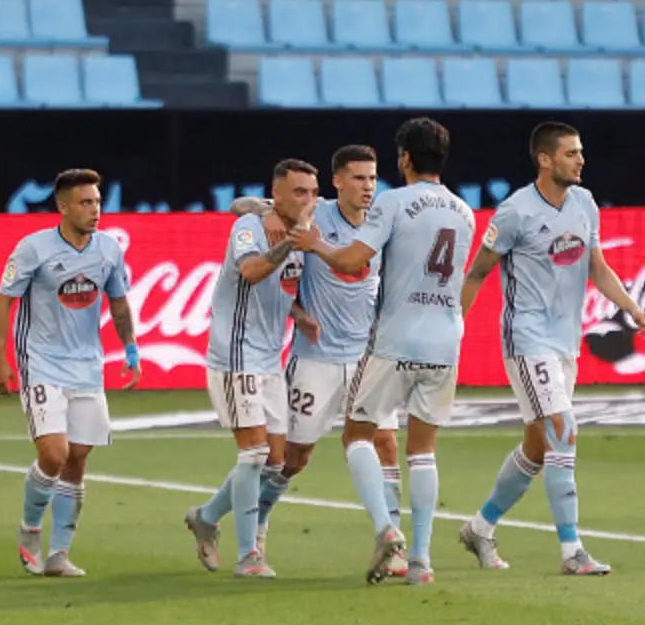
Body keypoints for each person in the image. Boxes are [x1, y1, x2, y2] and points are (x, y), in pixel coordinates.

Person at [455, 122, 645, 576]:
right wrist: (455, 326)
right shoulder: (514, 213)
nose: (581, 160)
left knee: (538, 447)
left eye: (580, 152)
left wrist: (632, 307)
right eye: (571, 153)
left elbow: (597, 268)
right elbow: (476, 273)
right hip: (526, 340)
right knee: (564, 429)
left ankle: (480, 528)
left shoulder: (584, 204)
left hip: (565, 342)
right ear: (545, 159)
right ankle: (572, 551)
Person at [292, 118, 474, 585]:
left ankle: (385, 528)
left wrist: (317, 245)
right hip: (446, 340)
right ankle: (420, 561)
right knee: (423, 452)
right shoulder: (464, 211)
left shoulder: (392, 202)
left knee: (357, 435)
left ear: (405, 160)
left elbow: (354, 260)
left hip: (396, 337)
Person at [228, 145, 408, 579]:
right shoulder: (316, 214)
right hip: (316, 360)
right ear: (338, 181)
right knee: (292, 458)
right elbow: (247, 211)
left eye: (373, 178)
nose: (368, 187)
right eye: (359, 178)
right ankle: (258, 524)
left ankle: (394, 540)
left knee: (384, 443)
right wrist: (261, 208)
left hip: (367, 357)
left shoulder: (383, 220)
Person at [0, 168, 142, 578]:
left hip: (87, 367)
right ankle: (29, 529)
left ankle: (59, 554)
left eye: (97, 202)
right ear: (62, 207)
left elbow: (120, 302)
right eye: (85, 203)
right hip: (41, 364)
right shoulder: (33, 249)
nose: (95, 210)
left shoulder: (109, 249)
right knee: (53, 454)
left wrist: (130, 348)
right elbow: (2, 302)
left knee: (77, 459)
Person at [183, 159, 321, 579]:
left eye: (313, 192)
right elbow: (253, 271)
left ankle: (206, 517)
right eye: (299, 192)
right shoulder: (249, 229)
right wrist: (287, 242)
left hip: (268, 358)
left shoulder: (301, 219)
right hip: (234, 355)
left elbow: (280, 287)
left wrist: (297, 313)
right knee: (255, 453)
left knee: (277, 463)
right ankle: (249, 555)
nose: (309, 200)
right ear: (276, 194)